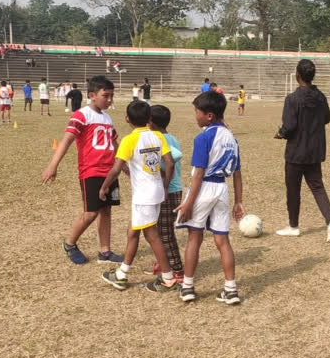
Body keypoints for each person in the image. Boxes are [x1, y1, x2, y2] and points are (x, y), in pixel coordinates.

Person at [41, 76, 124, 265]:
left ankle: (105, 251)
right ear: (92, 95)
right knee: (91, 212)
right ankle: (70, 244)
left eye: (112, 96)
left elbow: (114, 143)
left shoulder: (107, 117)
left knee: (106, 210)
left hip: (109, 171)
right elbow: (67, 140)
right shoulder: (81, 115)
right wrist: (53, 165)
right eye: (106, 96)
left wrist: (123, 165)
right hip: (91, 171)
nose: (109, 100)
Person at [175, 91, 245, 305]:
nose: (195, 116)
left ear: (209, 116)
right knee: (222, 240)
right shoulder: (231, 139)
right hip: (222, 190)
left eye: (197, 112)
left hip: (203, 188)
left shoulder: (204, 137)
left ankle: (187, 287)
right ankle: (230, 289)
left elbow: (198, 174)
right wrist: (238, 201)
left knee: (194, 237)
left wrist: (188, 203)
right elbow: (238, 173)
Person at [99, 101, 176, 291]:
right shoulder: (158, 136)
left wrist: (104, 187)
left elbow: (117, 168)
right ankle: (122, 274)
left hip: (144, 196)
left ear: (127, 119)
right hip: (156, 192)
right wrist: (165, 186)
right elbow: (170, 163)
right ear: (149, 119)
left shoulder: (129, 140)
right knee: (133, 231)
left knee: (152, 236)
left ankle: (168, 278)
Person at [274, 59, 330, 243]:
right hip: (315, 151)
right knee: (317, 187)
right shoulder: (321, 97)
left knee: (293, 190)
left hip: (296, 152)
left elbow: (290, 125)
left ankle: (293, 226)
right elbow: (326, 118)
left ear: (298, 76)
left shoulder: (292, 99)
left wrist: (280, 133)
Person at [144, 104, 184, 281]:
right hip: (169, 190)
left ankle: (177, 269)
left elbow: (171, 162)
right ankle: (164, 263)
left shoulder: (160, 138)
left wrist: (164, 184)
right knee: (159, 231)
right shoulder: (170, 137)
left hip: (169, 190)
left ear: (151, 122)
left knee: (165, 232)